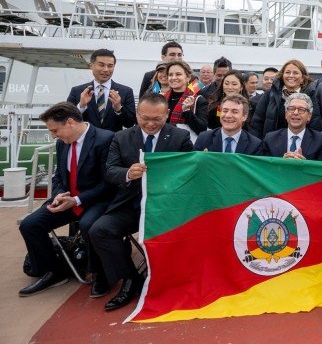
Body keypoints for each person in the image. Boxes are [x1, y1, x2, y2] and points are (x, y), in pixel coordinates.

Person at [89, 93, 192, 311]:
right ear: (136, 114)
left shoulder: (180, 138)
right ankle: (130, 279)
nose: (151, 123)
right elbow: (110, 170)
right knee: (99, 230)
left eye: (157, 118)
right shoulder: (122, 137)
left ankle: (169, 281)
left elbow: (188, 172)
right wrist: (128, 173)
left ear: (167, 115)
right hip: (132, 205)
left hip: (167, 208)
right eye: (145, 118)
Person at [18, 103, 115, 297]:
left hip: (98, 200)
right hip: (68, 199)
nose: (54, 135)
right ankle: (53, 271)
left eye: (55, 130)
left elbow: (108, 183)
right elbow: (58, 175)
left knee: (89, 226)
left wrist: (78, 200)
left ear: (70, 122)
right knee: (30, 225)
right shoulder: (62, 142)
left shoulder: (106, 139)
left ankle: (100, 274)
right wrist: (59, 194)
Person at [67, 48, 136, 133]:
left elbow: (130, 123)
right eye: (101, 65)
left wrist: (118, 108)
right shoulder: (77, 91)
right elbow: (66, 120)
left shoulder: (126, 91)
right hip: (87, 143)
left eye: (110, 66)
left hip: (113, 143)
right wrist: (81, 106)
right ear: (91, 66)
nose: (106, 69)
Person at [250, 59, 320, 138]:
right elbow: (257, 122)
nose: (291, 75)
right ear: (282, 75)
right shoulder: (270, 94)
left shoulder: (310, 95)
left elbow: (315, 124)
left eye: (295, 73)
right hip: (270, 145)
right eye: (287, 72)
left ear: (302, 78)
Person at [263, 92, 322, 161]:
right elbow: (265, 167)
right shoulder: (270, 139)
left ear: (309, 116)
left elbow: (321, 169)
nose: (295, 113)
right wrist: (282, 163)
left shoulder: (321, 140)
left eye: (301, 109)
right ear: (286, 114)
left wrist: (303, 164)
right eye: (291, 109)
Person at [194, 94, 264, 154]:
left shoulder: (255, 145)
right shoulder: (204, 138)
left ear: (244, 117)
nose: (228, 115)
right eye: (225, 111)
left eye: (234, 112)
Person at [162, 60, 208, 140]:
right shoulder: (162, 99)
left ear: (188, 78)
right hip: (164, 144)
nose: (173, 78)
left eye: (178, 74)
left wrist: (187, 111)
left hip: (186, 146)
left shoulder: (198, 100)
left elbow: (202, 129)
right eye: (170, 75)